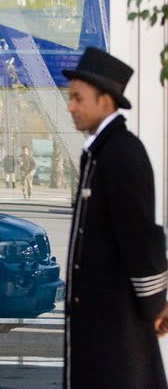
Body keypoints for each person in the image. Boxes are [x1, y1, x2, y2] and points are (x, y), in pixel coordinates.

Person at [62, 47, 168, 389]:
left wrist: (156, 304)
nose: (71, 107)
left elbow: (141, 235)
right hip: (100, 321)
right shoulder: (101, 151)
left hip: (117, 322)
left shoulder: (122, 152)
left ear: (105, 101)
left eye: (78, 98)